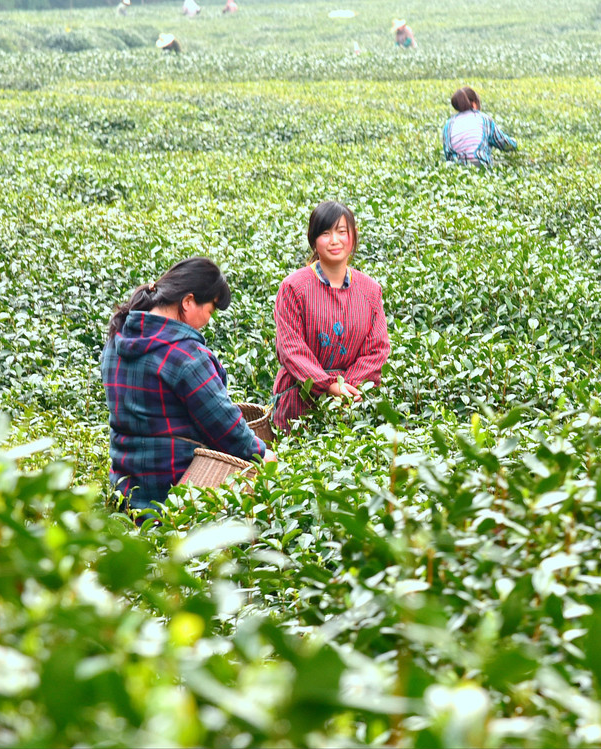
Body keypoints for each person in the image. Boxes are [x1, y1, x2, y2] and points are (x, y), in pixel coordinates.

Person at [102, 258, 272, 517]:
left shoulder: (116, 339)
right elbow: (225, 426)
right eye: (210, 310)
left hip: (125, 493)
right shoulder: (185, 355)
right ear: (188, 301)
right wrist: (264, 455)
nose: (208, 319)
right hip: (175, 497)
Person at [272, 201, 391, 432]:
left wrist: (348, 389)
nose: (334, 240)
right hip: (298, 405)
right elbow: (290, 348)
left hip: (353, 404)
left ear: (353, 236)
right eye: (325, 233)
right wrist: (328, 386)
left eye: (341, 231)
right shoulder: (294, 288)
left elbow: (377, 349)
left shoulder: (370, 290)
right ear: (314, 239)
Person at [442, 87, 518, 167]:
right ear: (474, 103)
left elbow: (447, 153)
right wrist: (514, 143)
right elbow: (503, 143)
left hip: (456, 167)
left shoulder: (449, 124)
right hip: (479, 165)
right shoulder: (484, 119)